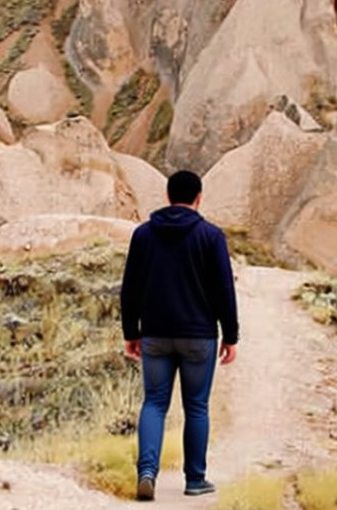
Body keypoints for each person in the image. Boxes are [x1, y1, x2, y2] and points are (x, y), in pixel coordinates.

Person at [119, 170, 239, 501]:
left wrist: (132, 331)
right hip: (199, 336)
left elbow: (130, 289)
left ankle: (147, 472)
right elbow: (223, 290)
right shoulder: (211, 236)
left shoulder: (143, 235)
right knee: (196, 407)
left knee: (154, 403)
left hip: (155, 334)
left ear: (168, 196)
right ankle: (195, 479)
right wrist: (231, 335)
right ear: (198, 198)